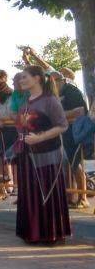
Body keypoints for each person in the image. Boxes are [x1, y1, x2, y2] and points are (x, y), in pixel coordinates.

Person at [15, 66, 71, 244]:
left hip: (47, 156)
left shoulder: (49, 100)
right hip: (27, 155)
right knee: (30, 193)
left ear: (37, 78)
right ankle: (32, 232)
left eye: (24, 77)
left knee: (46, 192)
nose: (20, 80)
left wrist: (40, 138)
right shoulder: (25, 101)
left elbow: (62, 125)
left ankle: (49, 233)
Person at [50, 70, 89, 209]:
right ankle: (70, 196)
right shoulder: (56, 94)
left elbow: (80, 111)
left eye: (53, 82)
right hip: (65, 132)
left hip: (76, 131)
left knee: (75, 162)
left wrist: (60, 115)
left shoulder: (71, 91)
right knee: (66, 164)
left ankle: (83, 197)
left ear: (60, 80)